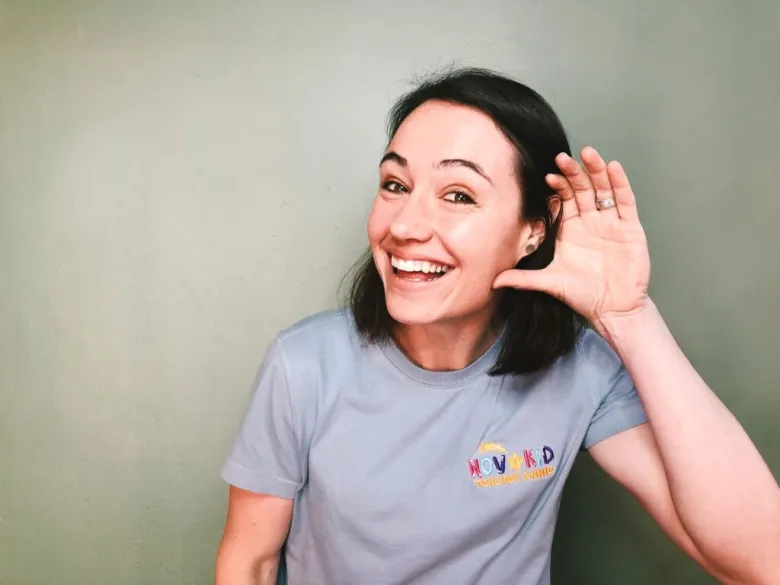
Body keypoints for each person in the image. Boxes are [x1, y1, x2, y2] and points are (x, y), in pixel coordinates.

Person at [214, 68, 780, 585]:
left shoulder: (580, 370)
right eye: (395, 185)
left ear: (533, 232)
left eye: (458, 195)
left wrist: (629, 317)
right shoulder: (304, 365)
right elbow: (251, 562)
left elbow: (761, 561)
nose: (405, 225)